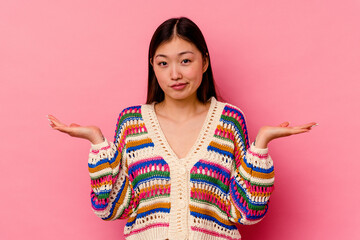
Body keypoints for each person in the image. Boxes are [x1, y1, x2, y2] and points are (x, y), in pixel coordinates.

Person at [48, 17, 317, 240]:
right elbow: (113, 207)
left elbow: (245, 212)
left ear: (205, 62)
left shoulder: (229, 121)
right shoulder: (132, 123)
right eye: (163, 63)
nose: (174, 74)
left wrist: (261, 145)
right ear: (153, 67)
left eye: (185, 61)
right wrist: (97, 143)